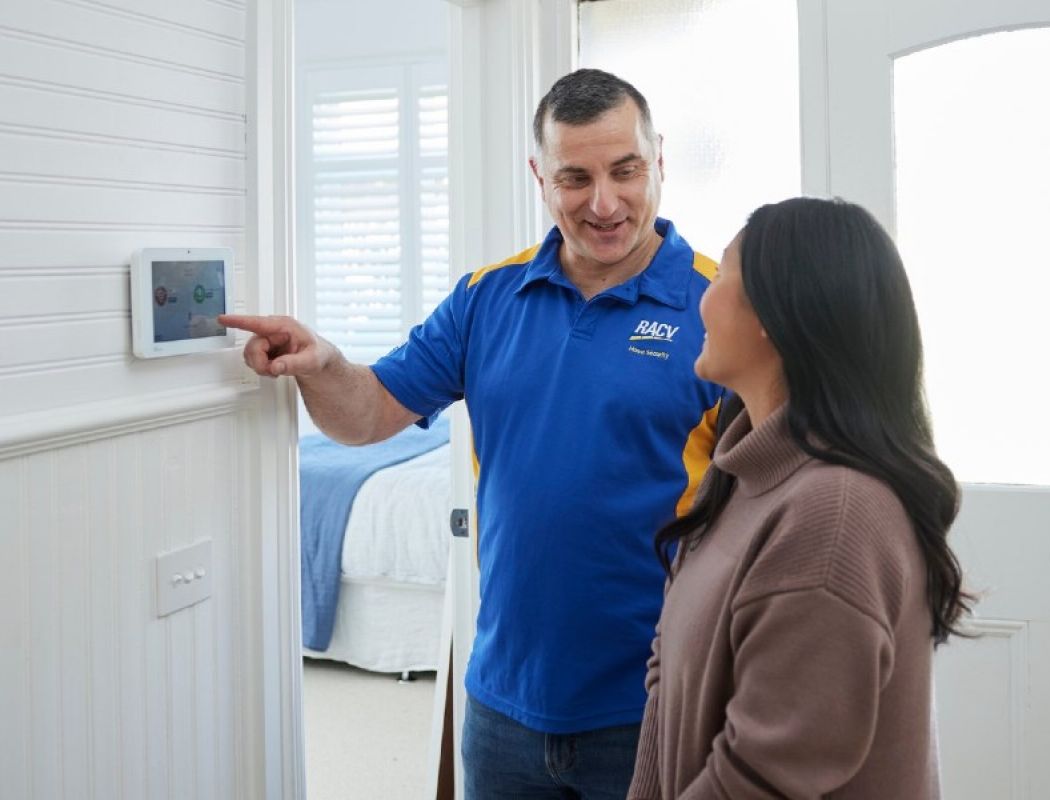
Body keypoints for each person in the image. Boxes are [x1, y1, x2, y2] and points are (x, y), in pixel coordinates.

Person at [219, 68, 723, 799]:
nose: (605, 202)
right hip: (502, 702)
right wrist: (324, 364)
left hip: (653, 701)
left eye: (626, 170)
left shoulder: (716, 305)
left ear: (658, 160)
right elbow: (367, 414)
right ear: (539, 177)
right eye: (574, 178)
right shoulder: (487, 297)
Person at [626, 197, 972, 799]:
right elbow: (668, 681)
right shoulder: (740, 471)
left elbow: (763, 776)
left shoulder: (834, 514)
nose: (702, 297)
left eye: (723, 272)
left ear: (774, 313)